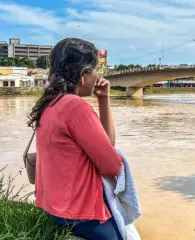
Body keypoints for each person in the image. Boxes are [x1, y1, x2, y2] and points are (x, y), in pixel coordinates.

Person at [27, 38, 123, 240]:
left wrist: (103, 99)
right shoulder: (76, 107)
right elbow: (112, 166)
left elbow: (107, 145)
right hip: (80, 214)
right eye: (95, 70)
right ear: (82, 76)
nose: (98, 76)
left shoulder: (49, 103)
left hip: (54, 209)